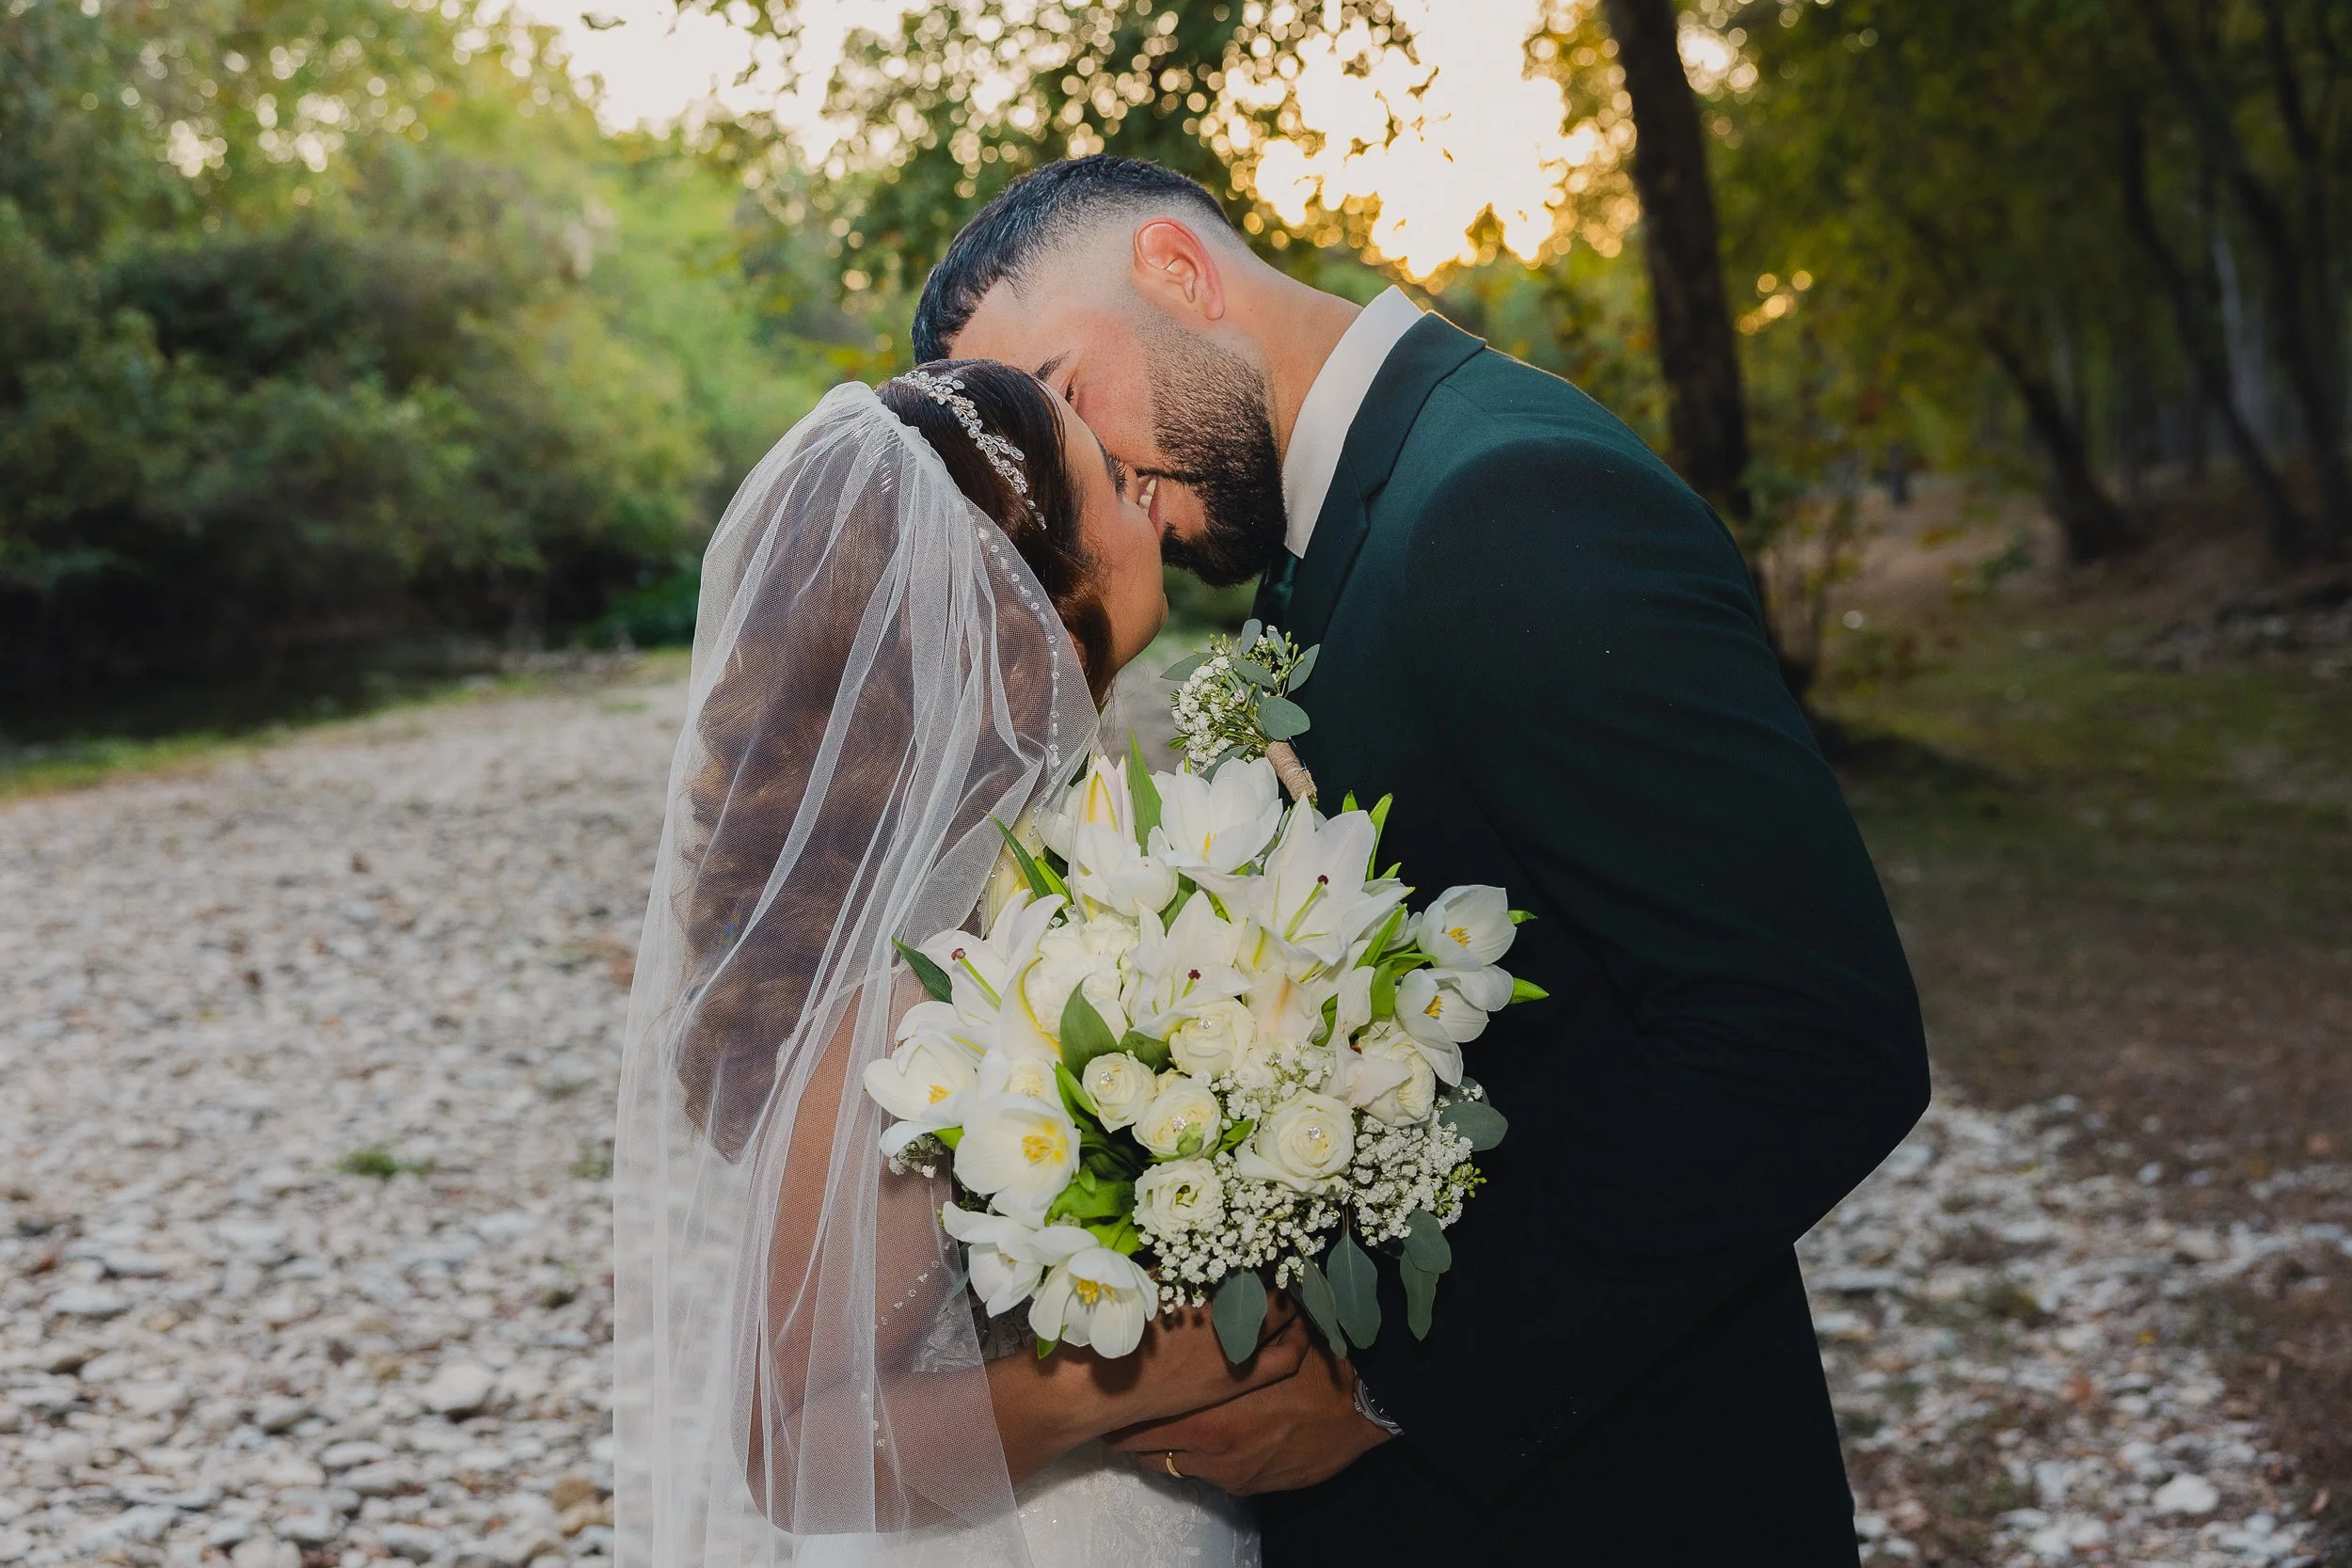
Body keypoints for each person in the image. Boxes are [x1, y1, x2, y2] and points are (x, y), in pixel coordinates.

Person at [913, 155, 1931, 1566]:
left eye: (1067, 393)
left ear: (1179, 269)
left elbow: (1812, 1038)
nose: (1100, 493)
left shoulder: (1513, 501)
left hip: (1621, 1502)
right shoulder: (1334, 532)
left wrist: (1393, 1388)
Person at [612, 363, 1305, 1567]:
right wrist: (1118, 1372)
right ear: (1022, 600)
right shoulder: (899, 995)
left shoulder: (1090, 874)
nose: (1147, 503)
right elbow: (786, 1444)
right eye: (1111, 482)